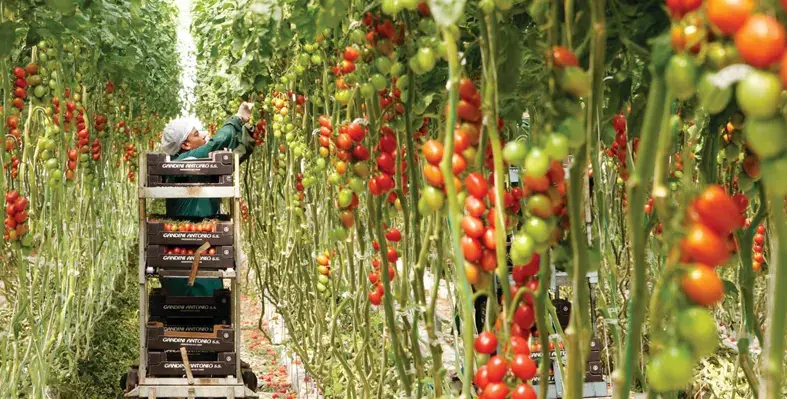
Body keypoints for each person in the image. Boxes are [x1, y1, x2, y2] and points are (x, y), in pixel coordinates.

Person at [158, 102, 254, 297]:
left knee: (207, 303)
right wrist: (237, 120)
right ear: (185, 145)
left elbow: (229, 162)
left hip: (204, 243)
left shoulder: (201, 166)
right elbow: (216, 144)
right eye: (196, 134)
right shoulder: (183, 163)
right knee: (190, 300)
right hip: (185, 249)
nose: (203, 135)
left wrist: (249, 138)